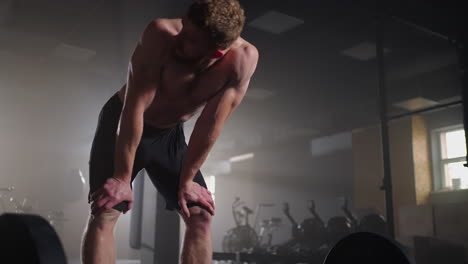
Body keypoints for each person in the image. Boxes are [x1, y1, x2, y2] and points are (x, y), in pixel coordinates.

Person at [80, 0, 259, 263]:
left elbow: (209, 125)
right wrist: (121, 177)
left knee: (200, 216)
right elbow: (135, 106)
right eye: (184, 27)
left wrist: (187, 181)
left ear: (216, 53)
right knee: (106, 210)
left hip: (169, 136)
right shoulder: (161, 34)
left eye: (190, 39)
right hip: (122, 121)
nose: (180, 38)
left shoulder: (241, 60)